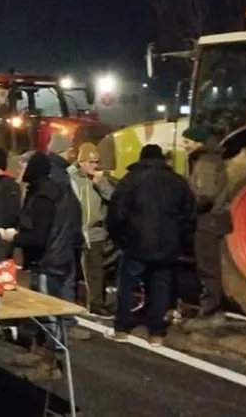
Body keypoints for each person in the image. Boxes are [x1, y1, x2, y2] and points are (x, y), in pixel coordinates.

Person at [107, 144, 196, 346]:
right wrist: (179, 240)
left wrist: (120, 239)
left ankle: (122, 327)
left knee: (127, 286)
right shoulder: (177, 181)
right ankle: (156, 332)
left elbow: (116, 214)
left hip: (136, 243)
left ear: (141, 158)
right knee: (160, 286)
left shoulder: (130, 180)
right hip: (167, 246)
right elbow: (189, 215)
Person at [4, 152, 80, 380]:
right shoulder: (47, 190)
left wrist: (13, 237)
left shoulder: (45, 197)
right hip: (50, 257)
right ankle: (38, 350)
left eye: (23, 166)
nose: (19, 170)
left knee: (49, 313)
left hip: (49, 259)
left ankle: (51, 362)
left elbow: (38, 236)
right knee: (39, 309)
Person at [180, 125, 229, 329]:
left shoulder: (206, 163)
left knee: (207, 267)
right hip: (212, 220)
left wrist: (186, 208)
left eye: (187, 142)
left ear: (198, 142)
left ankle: (211, 314)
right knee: (210, 266)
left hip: (207, 221)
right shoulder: (208, 160)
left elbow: (205, 195)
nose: (184, 147)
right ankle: (212, 309)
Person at [69, 142, 116, 316]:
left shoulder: (99, 179)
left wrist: (101, 184)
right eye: (90, 162)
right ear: (81, 161)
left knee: (96, 270)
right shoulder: (70, 177)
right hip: (75, 231)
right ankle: (69, 301)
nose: (94, 165)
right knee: (72, 269)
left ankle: (96, 304)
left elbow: (112, 198)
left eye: (96, 162)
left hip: (95, 232)